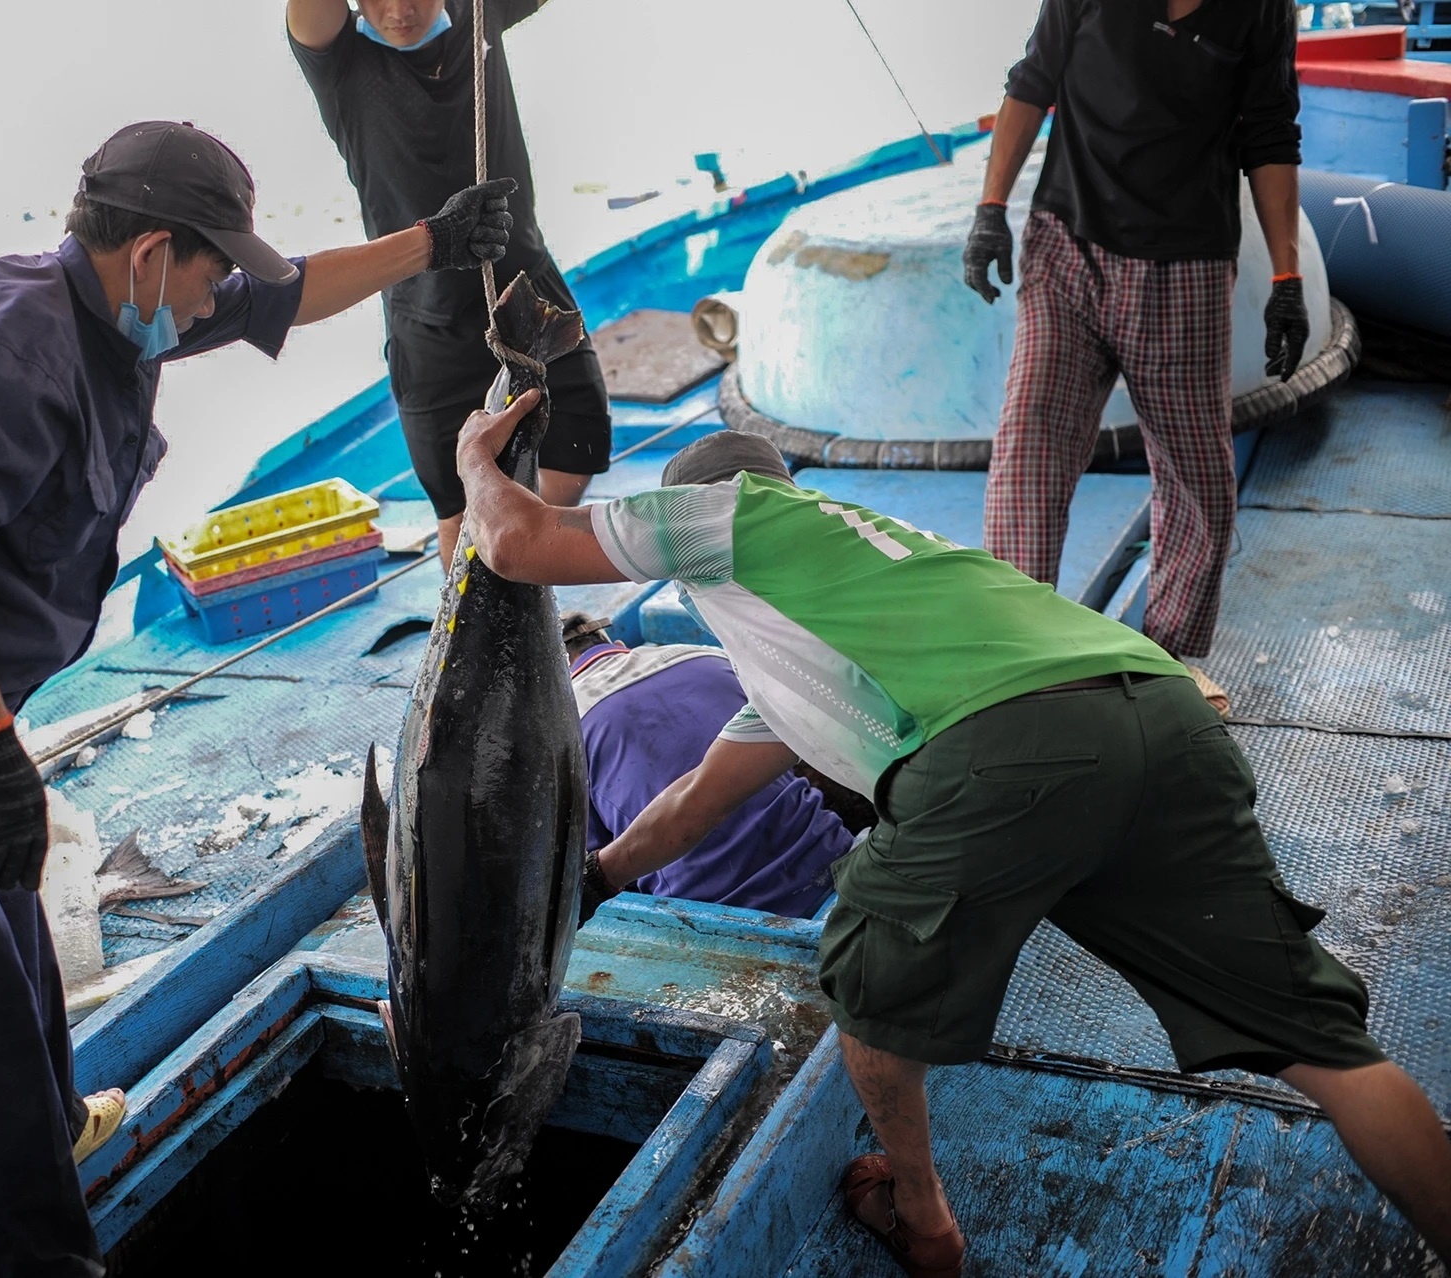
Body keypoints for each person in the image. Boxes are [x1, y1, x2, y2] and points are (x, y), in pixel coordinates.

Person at [0, 121, 517, 1278]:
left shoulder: (118, 304)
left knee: (18, 934)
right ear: (146, 251)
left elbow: (292, 297)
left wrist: (436, 240)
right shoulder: (27, 346)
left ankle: (51, 1125)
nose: (216, 297)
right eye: (206, 271)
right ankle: (35, 1249)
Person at [457, 414, 1451, 1276]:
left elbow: (516, 542)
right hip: (1165, 719)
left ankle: (924, 1219)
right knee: (1325, 1049)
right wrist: (593, 881)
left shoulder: (737, 517)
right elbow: (690, 804)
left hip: (1005, 746)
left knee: (867, 998)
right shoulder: (839, 627)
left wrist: (471, 460)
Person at [965, 0, 1310, 713]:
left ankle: (1164, 659)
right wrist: (990, 210)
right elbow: (1032, 82)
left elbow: (1271, 135)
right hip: (1068, 245)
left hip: (1184, 267)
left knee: (1198, 479)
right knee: (1031, 442)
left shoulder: (1261, 10)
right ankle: (1015, 653)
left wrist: (1287, 278)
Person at [288, 0, 612, 568]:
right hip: (426, 318)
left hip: (524, 286)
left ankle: (523, 585)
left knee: (581, 442)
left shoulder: (479, 11)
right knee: (459, 509)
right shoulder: (341, 62)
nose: (399, 9)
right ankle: (473, 633)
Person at [560, 611, 861, 921]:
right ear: (617, 644)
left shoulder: (562, 731)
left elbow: (581, 865)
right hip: (834, 859)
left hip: (721, 913)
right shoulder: (707, 656)